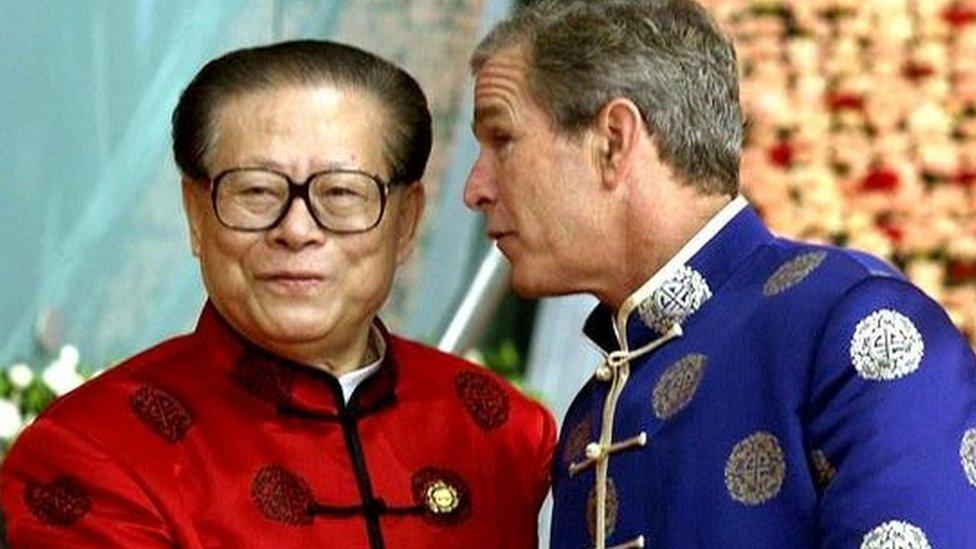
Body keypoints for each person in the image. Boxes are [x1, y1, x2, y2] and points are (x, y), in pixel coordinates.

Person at [1, 40, 556, 548]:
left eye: (341, 192)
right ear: (196, 215)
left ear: (406, 221)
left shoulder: (505, 433)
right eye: (257, 191)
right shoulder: (90, 451)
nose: (296, 229)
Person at [463, 1, 976, 548]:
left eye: (502, 140)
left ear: (613, 140)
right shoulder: (590, 422)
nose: (475, 189)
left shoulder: (852, 324)